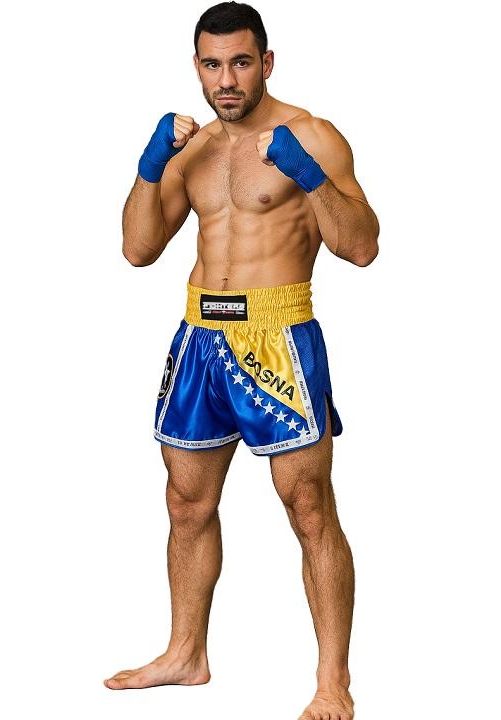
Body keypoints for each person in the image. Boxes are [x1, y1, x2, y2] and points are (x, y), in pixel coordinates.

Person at [104, 3, 379, 718]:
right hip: (201, 336)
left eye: (241, 62)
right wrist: (149, 167)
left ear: (267, 63)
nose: (226, 79)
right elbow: (137, 249)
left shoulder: (311, 134)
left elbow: (361, 246)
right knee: (185, 502)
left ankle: (333, 681)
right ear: (196, 67)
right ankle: (185, 653)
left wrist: (309, 176)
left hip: (277, 333)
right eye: (212, 64)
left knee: (309, 507)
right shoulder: (193, 148)